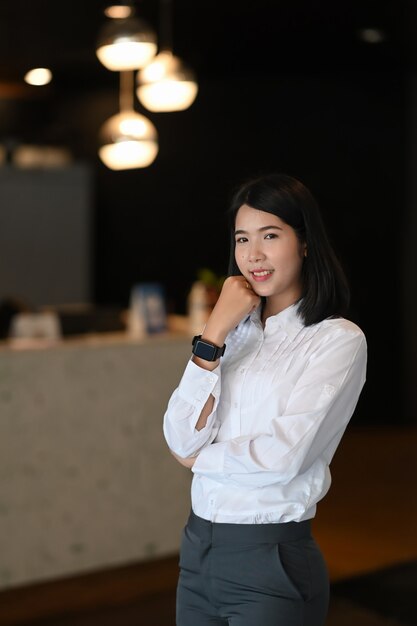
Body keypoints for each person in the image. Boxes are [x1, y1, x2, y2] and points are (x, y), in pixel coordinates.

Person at [163, 172, 367, 626]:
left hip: (271, 559)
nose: (252, 255)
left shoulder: (336, 340)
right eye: (242, 238)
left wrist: (200, 460)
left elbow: (283, 456)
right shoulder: (231, 336)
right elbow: (178, 434)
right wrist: (214, 332)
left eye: (270, 235)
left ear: (305, 242)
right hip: (197, 551)